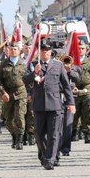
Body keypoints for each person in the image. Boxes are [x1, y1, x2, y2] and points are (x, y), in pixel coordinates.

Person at [22, 42, 75, 170]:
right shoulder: (33, 65)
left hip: (55, 104)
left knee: (54, 134)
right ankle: (45, 155)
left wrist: (71, 103)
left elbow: (66, 86)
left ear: (51, 52)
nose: (45, 53)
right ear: (39, 52)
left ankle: (50, 159)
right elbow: (25, 80)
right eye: (43, 51)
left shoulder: (58, 65)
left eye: (47, 51)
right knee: (39, 135)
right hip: (39, 105)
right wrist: (34, 73)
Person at [0, 42, 28, 150]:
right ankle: (14, 135)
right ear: (8, 51)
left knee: (19, 116)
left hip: (21, 93)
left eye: (15, 49)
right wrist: (3, 92)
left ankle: (20, 139)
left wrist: (30, 93)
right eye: (11, 49)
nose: (13, 51)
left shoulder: (24, 64)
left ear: (19, 51)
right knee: (9, 119)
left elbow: (29, 80)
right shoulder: (3, 64)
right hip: (8, 94)